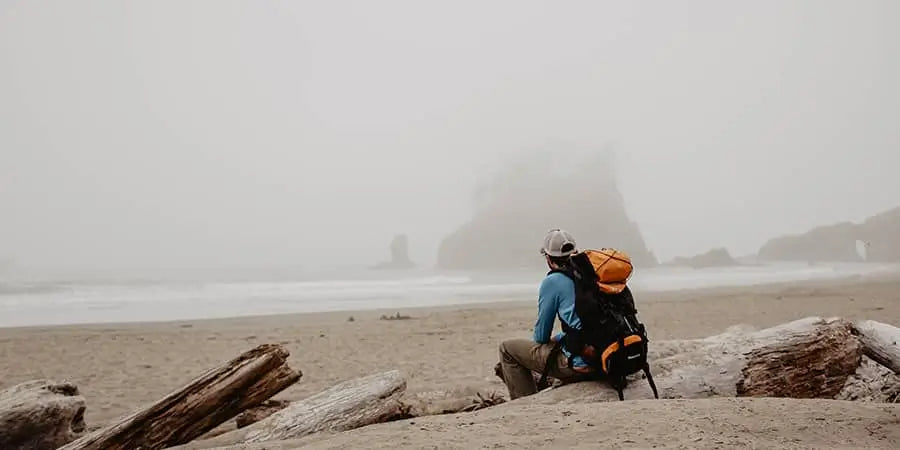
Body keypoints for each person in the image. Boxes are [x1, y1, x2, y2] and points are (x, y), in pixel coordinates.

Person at [497, 228, 594, 399]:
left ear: (548, 259)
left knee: (507, 349)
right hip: (609, 355)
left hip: (582, 365)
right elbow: (588, 323)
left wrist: (551, 341)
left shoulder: (553, 281)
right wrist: (561, 338)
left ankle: (525, 403)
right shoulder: (591, 274)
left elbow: (541, 336)